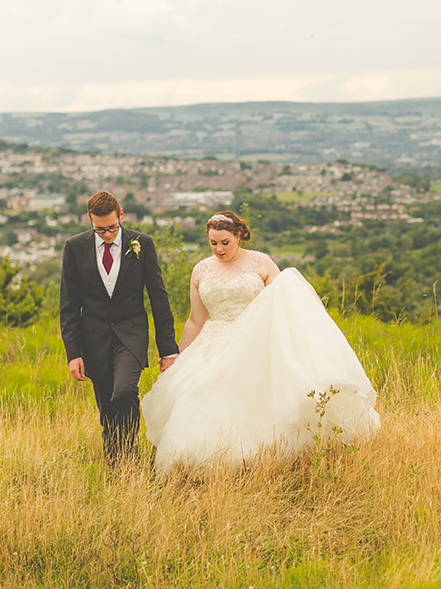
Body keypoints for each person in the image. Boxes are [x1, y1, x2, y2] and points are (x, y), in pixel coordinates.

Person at [142, 210, 380, 476]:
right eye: (213, 243)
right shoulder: (201, 270)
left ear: (239, 236)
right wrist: (179, 357)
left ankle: (263, 459)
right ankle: (199, 462)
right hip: (213, 341)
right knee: (195, 391)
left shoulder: (261, 263)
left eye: (225, 242)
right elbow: (196, 320)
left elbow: (285, 307)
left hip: (254, 339)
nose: (219, 249)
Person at [59, 191, 179, 465]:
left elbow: (158, 298)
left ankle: (127, 454)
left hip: (131, 333)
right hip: (94, 339)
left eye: (112, 227)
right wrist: (73, 353)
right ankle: (117, 464)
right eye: (99, 229)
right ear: (90, 221)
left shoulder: (142, 244)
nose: (107, 234)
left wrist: (168, 350)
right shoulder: (75, 247)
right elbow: (69, 306)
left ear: (121, 215)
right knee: (107, 409)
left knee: (124, 391)